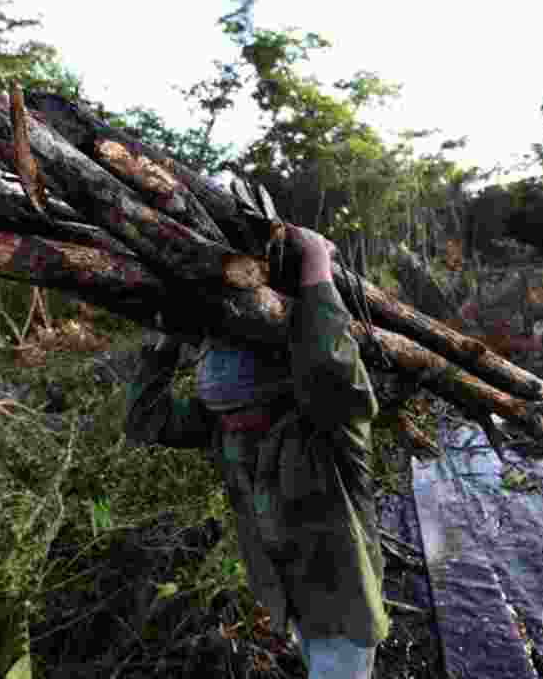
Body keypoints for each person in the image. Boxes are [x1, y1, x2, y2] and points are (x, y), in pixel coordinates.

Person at [124, 224, 389, 678]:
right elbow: (145, 419)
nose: (235, 424)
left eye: (242, 411)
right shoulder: (225, 428)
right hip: (292, 604)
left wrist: (317, 268)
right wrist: (169, 339)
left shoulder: (330, 427)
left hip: (345, 612)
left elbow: (330, 368)